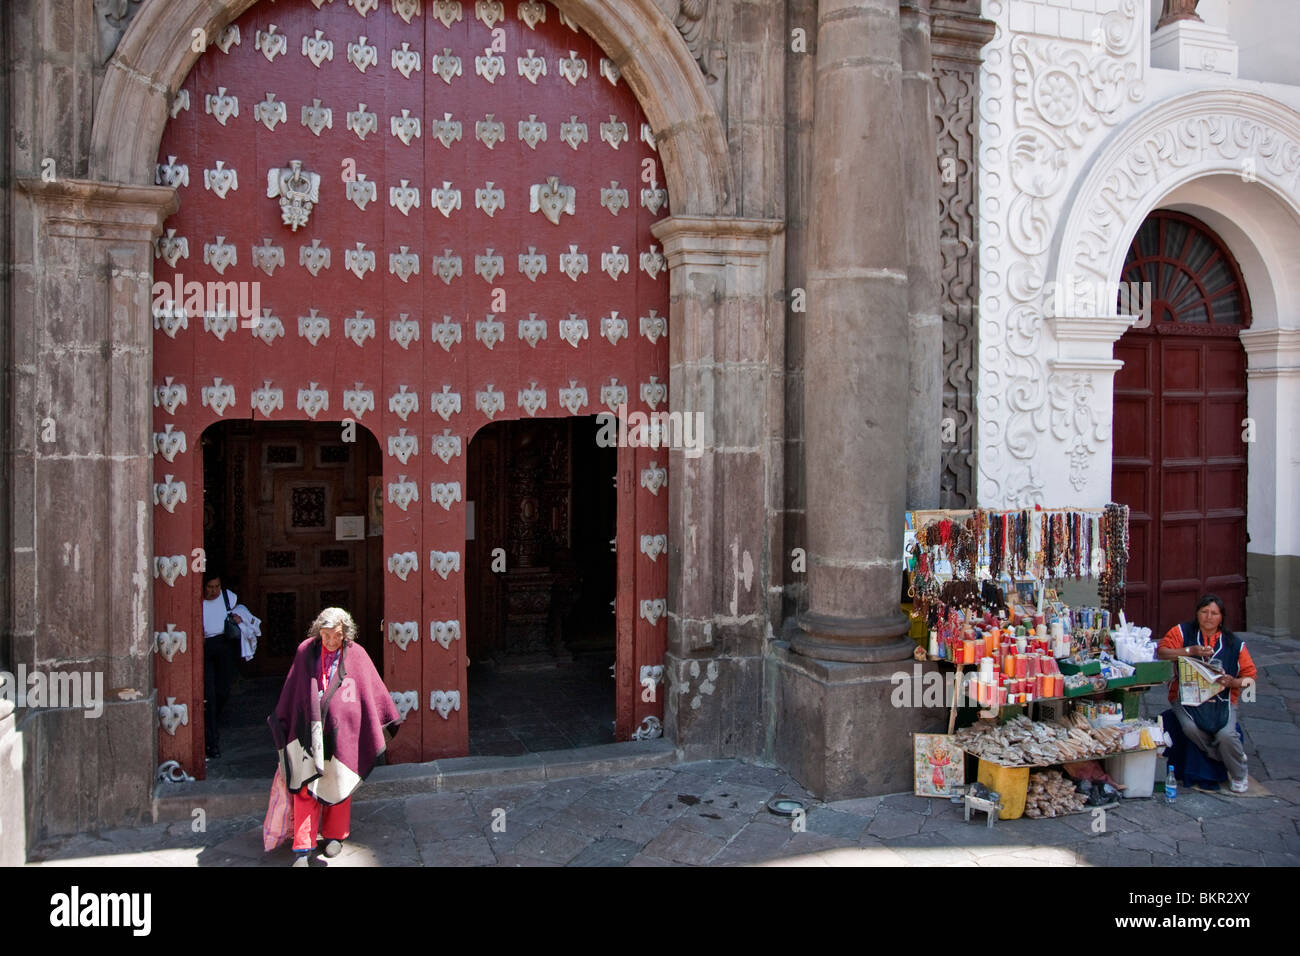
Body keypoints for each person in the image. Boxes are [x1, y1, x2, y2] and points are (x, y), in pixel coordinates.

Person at [269, 607, 401, 866]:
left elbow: (370, 689)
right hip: (308, 730)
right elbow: (293, 688)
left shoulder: (357, 654)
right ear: (318, 632)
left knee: (339, 780)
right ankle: (303, 844)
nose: (331, 641)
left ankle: (334, 835)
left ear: (346, 633)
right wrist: (284, 721)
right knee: (305, 785)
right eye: (326, 635)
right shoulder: (305, 651)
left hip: (343, 732)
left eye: (336, 635)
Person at [1156, 594, 1256, 793]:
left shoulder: (1235, 644)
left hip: (1222, 699)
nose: (1208, 617)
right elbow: (1162, 652)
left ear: (1221, 618)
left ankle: (1239, 774)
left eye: (1214, 613)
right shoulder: (1182, 632)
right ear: (1197, 613)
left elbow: (1250, 678)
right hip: (1186, 697)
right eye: (1204, 612)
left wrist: (1233, 682)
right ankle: (1227, 754)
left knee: (1226, 734)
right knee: (1190, 728)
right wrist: (1188, 651)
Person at [201, 573, 245, 759]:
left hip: (223, 644)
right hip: (204, 646)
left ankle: (210, 721)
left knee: (223, 691)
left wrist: (238, 619)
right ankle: (212, 742)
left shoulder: (229, 597)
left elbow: (241, 613)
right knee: (209, 695)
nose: (214, 591)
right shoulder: (197, 600)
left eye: (217, 587)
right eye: (210, 587)